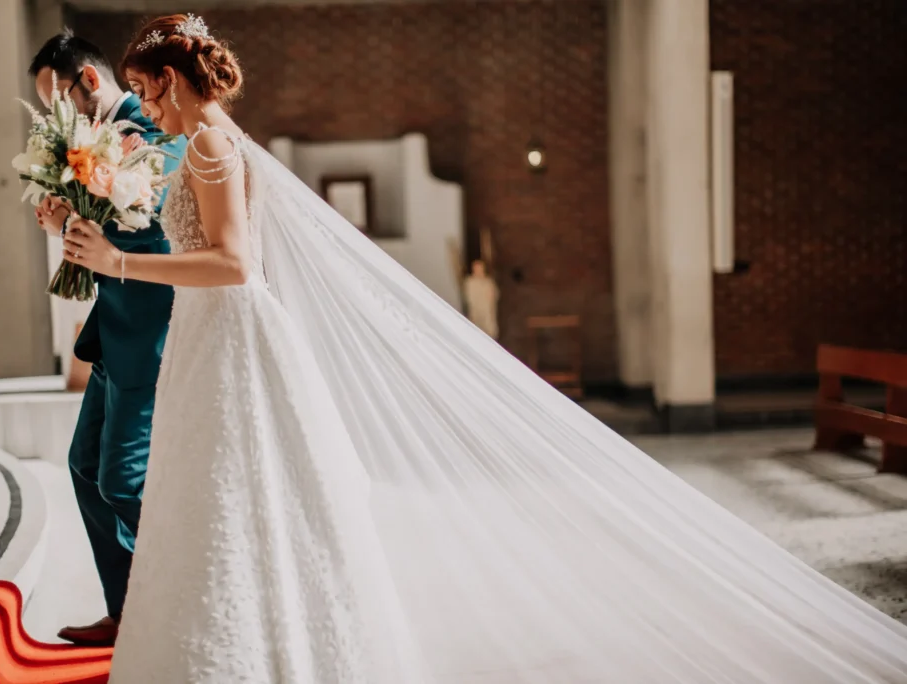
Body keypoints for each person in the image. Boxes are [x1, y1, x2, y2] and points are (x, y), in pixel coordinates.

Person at [63, 13, 907, 683]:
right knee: (230, 497)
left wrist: (118, 260)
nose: (153, 106)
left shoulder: (209, 141)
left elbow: (238, 264)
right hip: (218, 346)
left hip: (230, 343)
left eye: (150, 89)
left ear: (171, 78)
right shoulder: (209, 143)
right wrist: (99, 226)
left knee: (228, 491)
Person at [28, 30, 186, 647]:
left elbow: (158, 232)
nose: (55, 116)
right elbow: (102, 237)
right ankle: (128, 612)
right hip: (112, 332)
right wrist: (61, 220)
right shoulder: (87, 143)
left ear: (89, 81)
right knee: (84, 465)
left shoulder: (146, 135)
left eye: (58, 100)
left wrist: (74, 219)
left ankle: (180, 599)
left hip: (150, 332)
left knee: (121, 479)